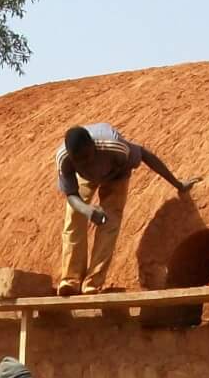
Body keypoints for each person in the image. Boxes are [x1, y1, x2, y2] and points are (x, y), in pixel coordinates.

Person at [54, 123, 190, 295]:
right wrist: (87, 210)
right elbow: (71, 194)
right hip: (84, 179)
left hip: (116, 175)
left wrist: (177, 184)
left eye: (87, 157)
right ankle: (70, 280)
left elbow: (145, 154)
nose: (85, 163)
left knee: (109, 223)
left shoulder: (115, 147)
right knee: (73, 219)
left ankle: (92, 282)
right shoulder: (64, 158)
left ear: (93, 147)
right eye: (79, 161)